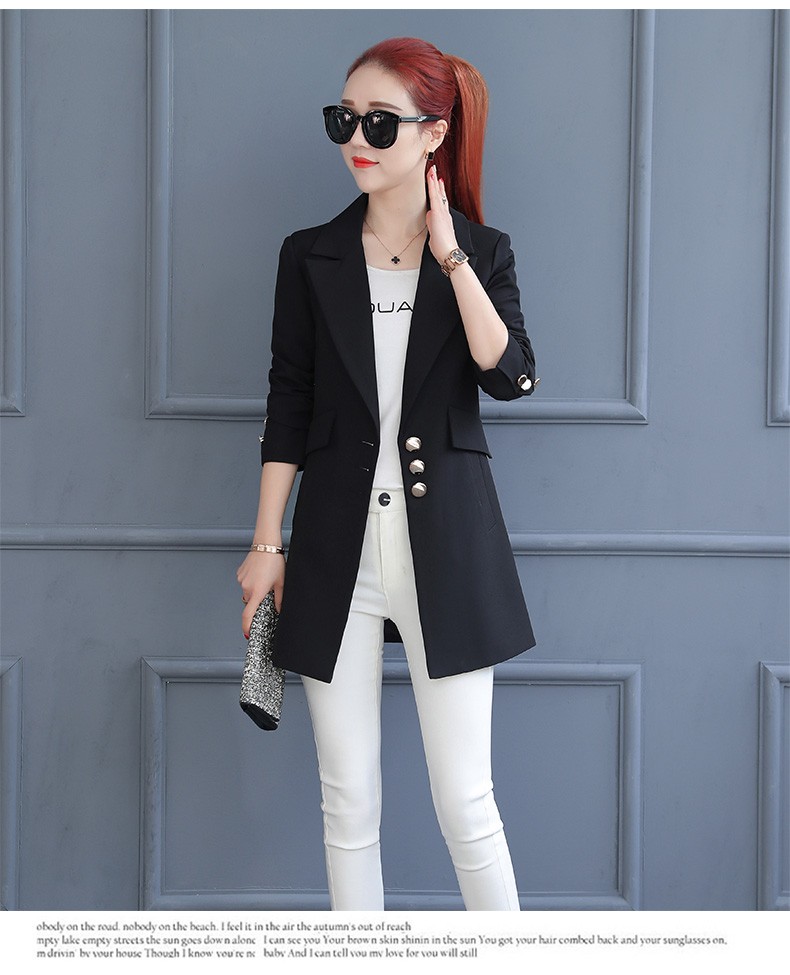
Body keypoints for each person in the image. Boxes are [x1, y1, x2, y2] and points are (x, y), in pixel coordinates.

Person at [236, 36, 538, 911]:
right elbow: (289, 401)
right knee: (348, 803)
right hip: (337, 552)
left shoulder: (483, 251)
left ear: (433, 133)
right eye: (344, 120)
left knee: (466, 803)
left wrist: (451, 256)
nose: (356, 140)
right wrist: (266, 543)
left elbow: (511, 374)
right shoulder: (310, 255)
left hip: (449, 549)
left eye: (379, 122)